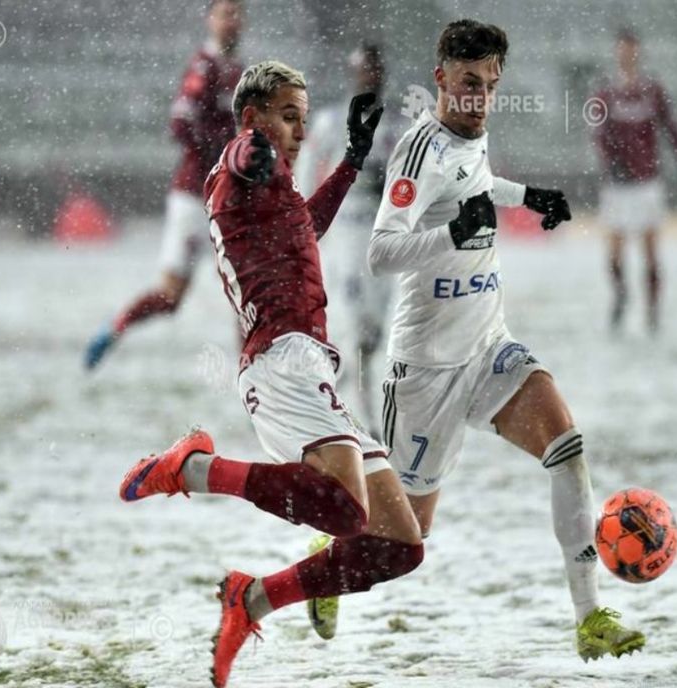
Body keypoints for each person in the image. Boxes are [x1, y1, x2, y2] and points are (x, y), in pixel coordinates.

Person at [313, 19, 645, 661]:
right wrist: (451, 236)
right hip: (425, 372)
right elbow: (381, 252)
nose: (480, 98)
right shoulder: (416, 150)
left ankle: (590, 615)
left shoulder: (473, 136)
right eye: (469, 84)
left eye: (491, 86)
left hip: (489, 345)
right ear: (440, 79)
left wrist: (528, 195)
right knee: (402, 542)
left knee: (567, 447)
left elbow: (475, 187)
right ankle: (329, 558)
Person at [117, 61, 424, 687]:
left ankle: (253, 599)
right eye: (288, 119)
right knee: (343, 511)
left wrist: (353, 159)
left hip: (309, 365)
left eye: (303, 122)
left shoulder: (272, 195)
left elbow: (304, 228)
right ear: (254, 118)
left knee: (399, 544)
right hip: (280, 364)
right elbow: (239, 156)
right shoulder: (241, 164)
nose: (297, 133)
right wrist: (255, 146)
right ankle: (191, 469)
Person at [84, 0, 244, 369]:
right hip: (193, 198)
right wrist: (223, 152)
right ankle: (116, 326)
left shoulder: (241, 72)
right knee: (171, 298)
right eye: (224, 14)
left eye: (237, 14)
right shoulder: (203, 67)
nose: (231, 21)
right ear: (211, 20)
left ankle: (253, 378)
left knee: (247, 292)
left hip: (229, 201)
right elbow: (180, 126)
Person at [294, 43, 404, 433]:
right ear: (352, 73)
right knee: (356, 328)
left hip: (385, 236)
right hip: (348, 233)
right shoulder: (332, 121)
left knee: (374, 333)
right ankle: (366, 423)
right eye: (363, 70)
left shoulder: (398, 125)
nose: (370, 77)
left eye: (375, 70)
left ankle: (324, 399)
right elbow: (307, 171)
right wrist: (306, 225)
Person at [593, 28, 677, 332]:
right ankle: (621, 295)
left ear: (638, 53)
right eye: (622, 50)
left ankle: (652, 311)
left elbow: (670, 127)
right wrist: (612, 162)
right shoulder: (606, 91)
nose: (626, 55)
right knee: (614, 249)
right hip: (617, 183)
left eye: (631, 50)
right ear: (616, 53)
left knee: (650, 249)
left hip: (647, 180)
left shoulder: (652, 90)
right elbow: (598, 134)